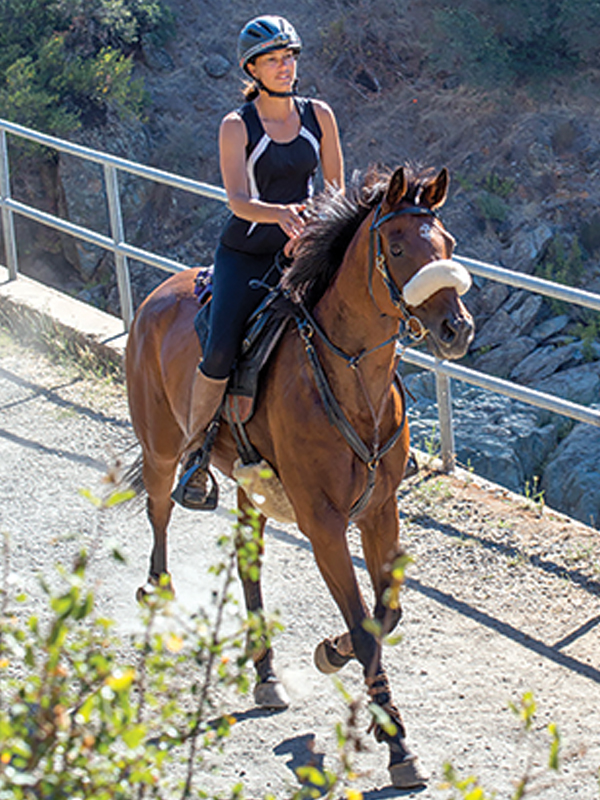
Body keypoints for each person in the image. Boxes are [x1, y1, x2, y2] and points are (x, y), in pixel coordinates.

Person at [173, 14, 345, 509]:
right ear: (252, 68)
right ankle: (196, 454)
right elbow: (238, 201)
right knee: (221, 348)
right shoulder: (237, 125)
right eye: (273, 60)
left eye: (289, 57)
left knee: (359, 312)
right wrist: (282, 214)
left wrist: (314, 230)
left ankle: (381, 429)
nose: (285, 67)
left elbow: (334, 189)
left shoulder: (319, 115)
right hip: (247, 252)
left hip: (304, 247)